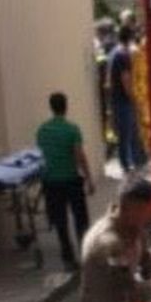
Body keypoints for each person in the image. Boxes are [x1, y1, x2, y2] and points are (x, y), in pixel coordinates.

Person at [36, 91, 96, 271]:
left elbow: (42, 154)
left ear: (51, 107)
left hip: (51, 180)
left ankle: (68, 258)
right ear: (66, 106)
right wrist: (88, 178)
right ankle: (86, 254)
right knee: (80, 219)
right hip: (70, 178)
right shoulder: (72, 129)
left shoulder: (42, 130)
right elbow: (79, 155)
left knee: (60, 220)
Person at [108, 25, 148, 178]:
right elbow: (126, 80)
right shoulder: (123, 55)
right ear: (130, 38)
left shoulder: (113, 53)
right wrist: (134, 99)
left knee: (125, 134)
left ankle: (131, 164)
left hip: (116, 99)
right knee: (128, 134)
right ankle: (129, 166)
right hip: (124, 101)